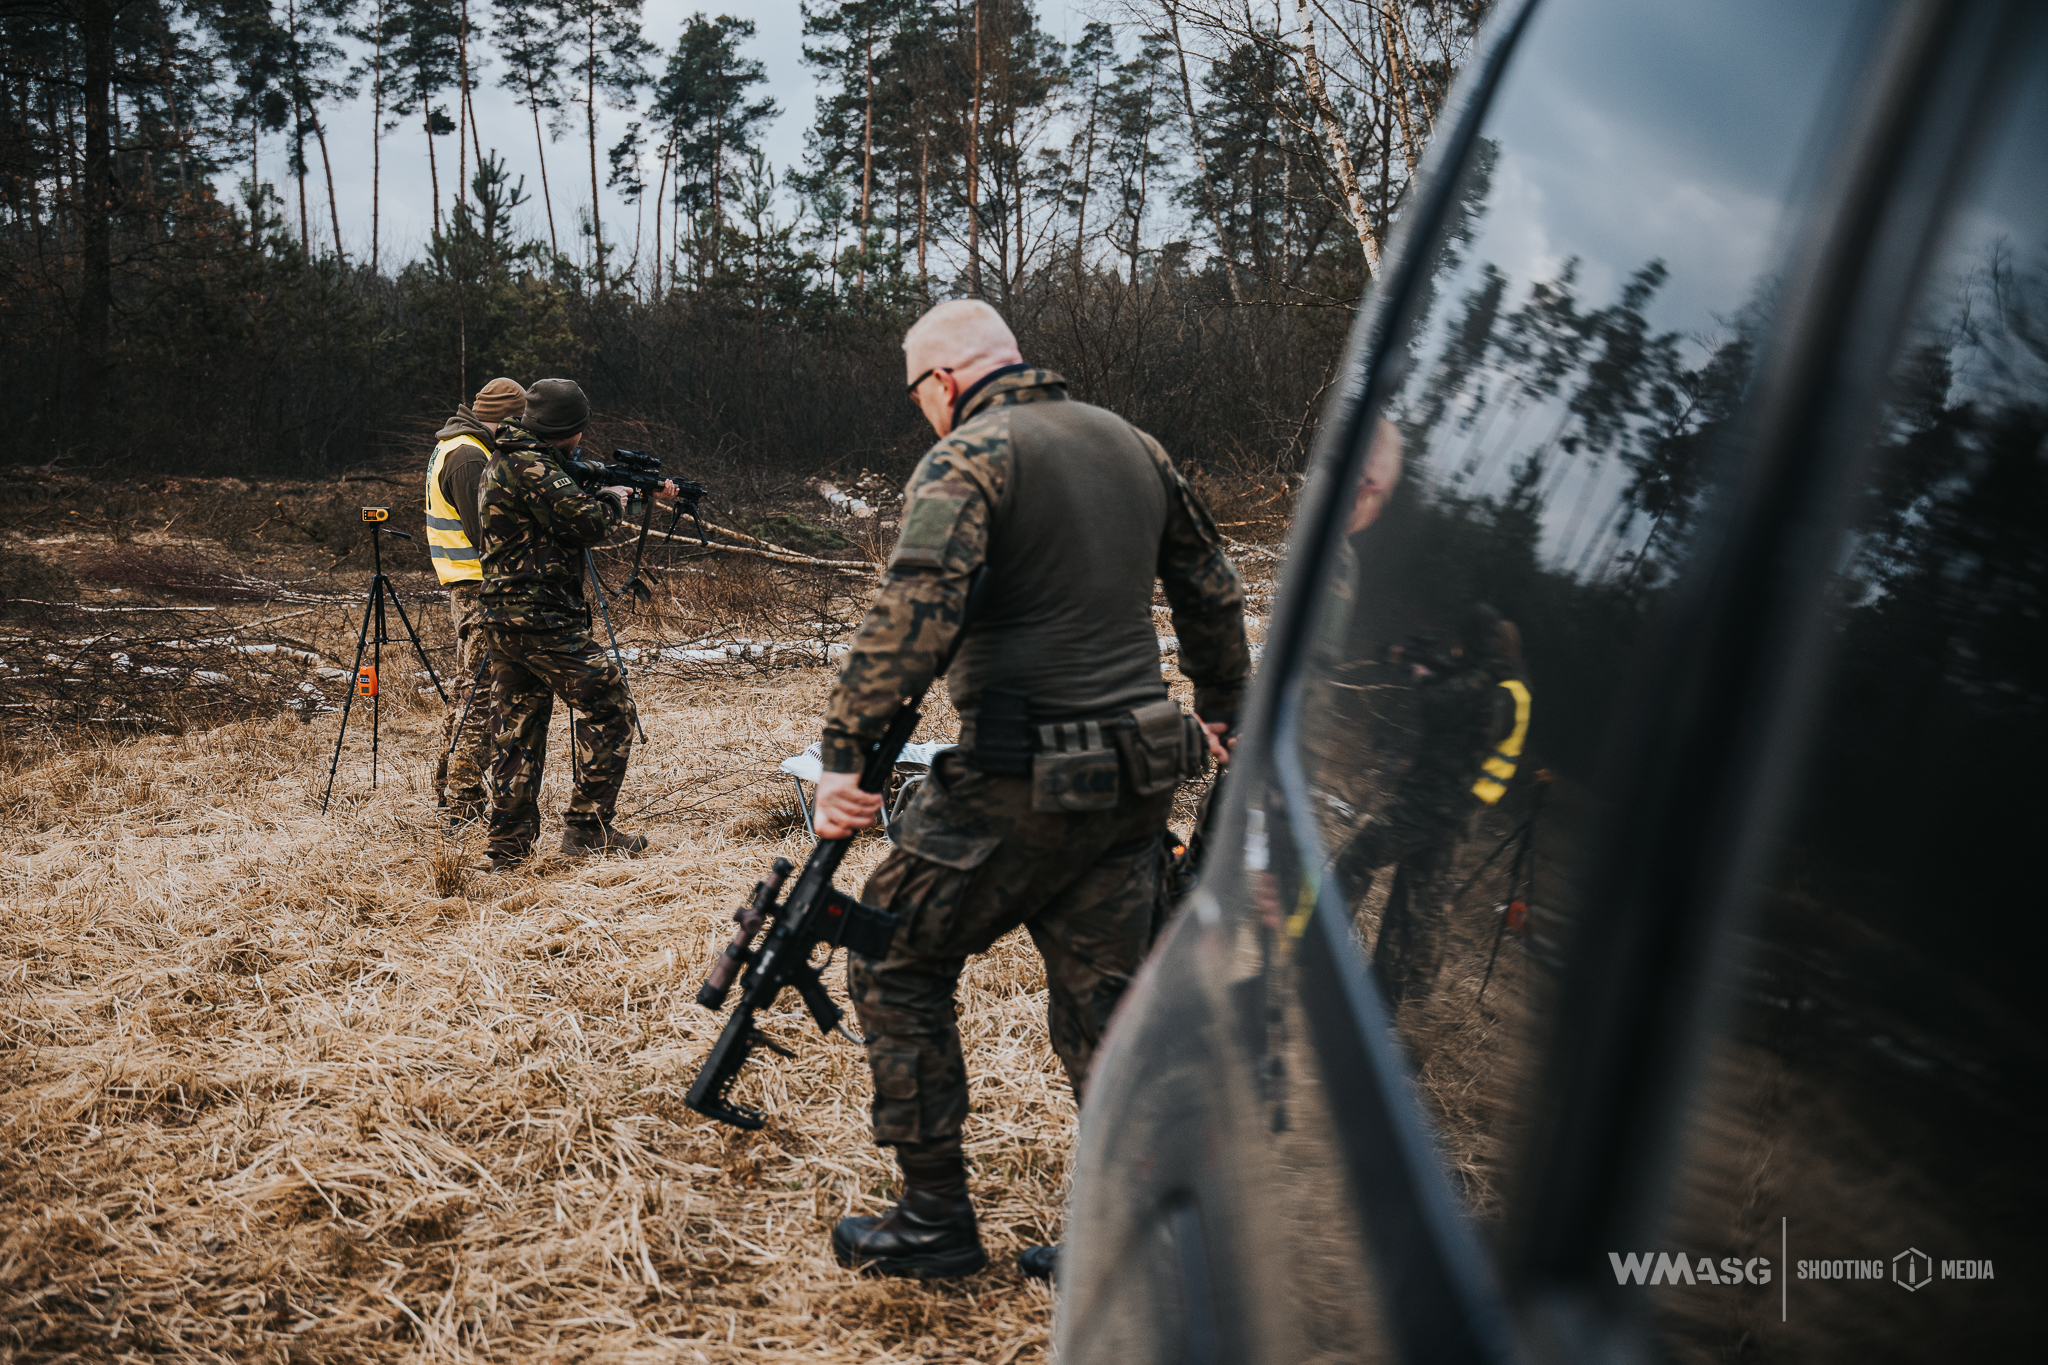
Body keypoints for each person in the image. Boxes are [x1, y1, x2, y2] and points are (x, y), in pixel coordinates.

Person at [812, 299, 1250, 1282]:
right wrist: (1224, 702)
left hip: (1022, 780)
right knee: (1114, 1007)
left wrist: (844, 754)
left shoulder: (973, 454)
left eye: (917, 392)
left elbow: (914, 609)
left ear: (945, 380)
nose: (923, 410)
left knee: (891, 954)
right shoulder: (1131, 445)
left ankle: (931, 1220)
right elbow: (1211, 585)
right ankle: (1139, 1238)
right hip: (1139, 779)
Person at [474, 378, 665, 870]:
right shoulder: (534, 466)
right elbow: (588, 525)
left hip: (503, 616)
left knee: (516, 730)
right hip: (541, 619)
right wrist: (616, 500)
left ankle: (507, 849)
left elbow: (556, 505)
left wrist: (601, 481)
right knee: (611, 708)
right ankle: (588, 829)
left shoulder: (506, 457)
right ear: (567, 428)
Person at [1332, 603, 1531, 1006]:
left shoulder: (1496, 690)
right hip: (1448, 810)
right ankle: (1382, 1002)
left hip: (1437, 805)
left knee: (1358, 859)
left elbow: (1440, 709)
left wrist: (1424, 679)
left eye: (1464, 643)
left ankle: (1323, 951)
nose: (1458, 649)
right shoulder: (1490, 682)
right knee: (1412, 907)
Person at [427, 375, 525, 824]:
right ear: (506, 418)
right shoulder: (469, 456)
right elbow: (486, 533)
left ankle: (447, 789)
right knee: (482, 695)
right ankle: (463, 803)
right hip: (479, 587)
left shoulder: (456, 445)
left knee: (469, 690)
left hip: (466, 585)